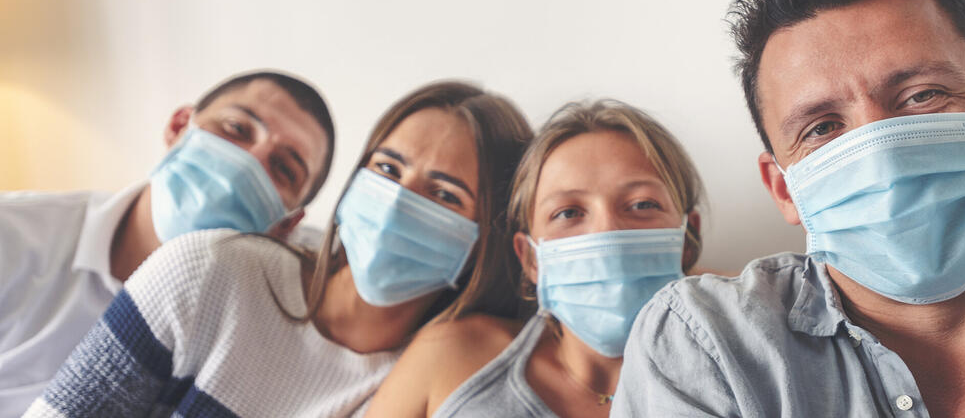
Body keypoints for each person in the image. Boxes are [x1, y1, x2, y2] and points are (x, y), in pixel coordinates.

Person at [612, 0, 965, 417]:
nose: (885, 157)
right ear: (783, 188)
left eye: (921, 96)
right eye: (822, 128)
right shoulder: (707, 345)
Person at [23, 80, 533, 417]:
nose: (398, 201)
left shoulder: (430, 379)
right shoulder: (210, 270)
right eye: (387, 169)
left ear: (486, 240)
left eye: (444, 195)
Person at [0, 70, 335, 418]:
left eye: (282, 168)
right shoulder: (12, 237)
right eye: (236, 129)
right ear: (179, 127)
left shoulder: (266, 325)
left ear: (287, 225)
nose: (249, 164)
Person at [366, 100, 705, 418]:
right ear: (530, 257)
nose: (606, 234)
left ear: (687, 240)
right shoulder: (452, 354)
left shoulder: (727, 369)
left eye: (642, 205)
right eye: (568, 212)